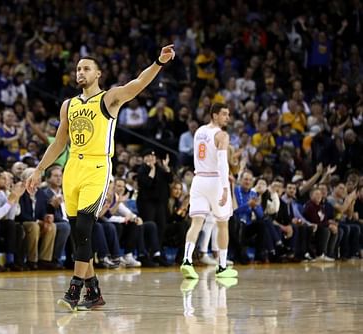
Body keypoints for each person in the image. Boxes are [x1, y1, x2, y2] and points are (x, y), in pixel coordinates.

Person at [26, 45, 176, 311]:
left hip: (98, 167)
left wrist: (158, 62)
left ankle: (74, 289)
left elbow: (139, 83)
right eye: (78, 69)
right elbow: (60, 142)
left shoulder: (110, 98)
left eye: (86, 68)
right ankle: (94, 292)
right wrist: (39, 169)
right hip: (73, 169)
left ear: (98, 74)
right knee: (78, 235)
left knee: (84, 229)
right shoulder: (68, 105)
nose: (80, 72)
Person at [180, 102, 238, 280]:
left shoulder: (199, 132)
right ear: (214, 115)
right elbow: (222, 163)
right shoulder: (222, 135)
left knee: (196, 223)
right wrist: (226, 188)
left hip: (198, 180)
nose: (227, 117)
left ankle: (187, 261)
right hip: (214, 180)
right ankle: (221, 267)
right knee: (223, 224)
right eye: (224, 114)